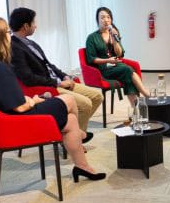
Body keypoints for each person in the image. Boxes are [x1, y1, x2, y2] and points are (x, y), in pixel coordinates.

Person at [0, 17, 105, 183]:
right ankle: (80, 137)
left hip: (3, 120)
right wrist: (34, 101)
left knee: (70, 121)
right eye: (7, 32)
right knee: (68, 100)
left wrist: (30, 100)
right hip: (13, 123)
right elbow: (20, 107)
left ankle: (82, 166)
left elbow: (3, 98)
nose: (10, 35)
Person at [8, 7, 103, 140]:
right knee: (85, 104)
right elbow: (28, 78)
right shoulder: (15, 48)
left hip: (56, 82)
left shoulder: (30, 43)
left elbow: (48, 64)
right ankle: (74, 139)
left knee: (97, 96)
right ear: (25, 26)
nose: (36, 26)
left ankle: (73, 134)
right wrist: (59, 82)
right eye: (33, 22)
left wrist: (64, 76)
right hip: (46, 87)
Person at [85, 6, 150, 118]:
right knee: (127, 70)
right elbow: (92, 59)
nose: (106, 20)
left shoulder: (114, 33)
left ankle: (136, 111)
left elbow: (119, 54)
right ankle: (146, 95)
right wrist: (107, 60)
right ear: (98, 20)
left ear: (111, 20)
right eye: (102, 17)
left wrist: (115, 39)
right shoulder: (92, 38)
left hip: (116, 66)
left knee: (128, 74)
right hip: (103, 70)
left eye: (108, 17)